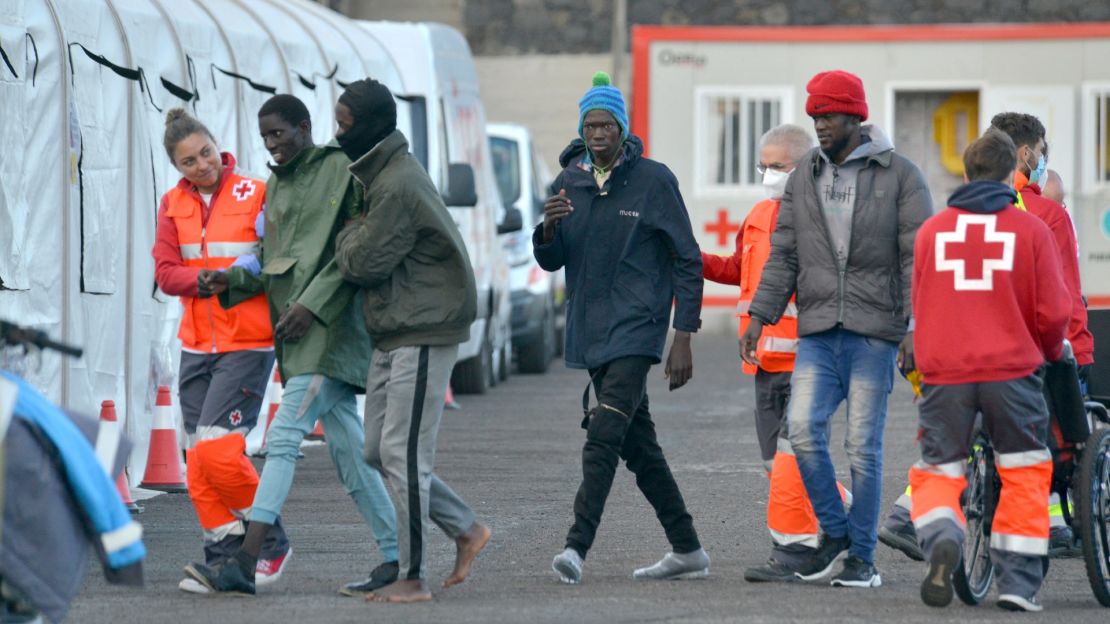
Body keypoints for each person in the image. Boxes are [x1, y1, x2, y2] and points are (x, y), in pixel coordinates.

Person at [182, 95, 400, 597]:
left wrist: (312, 306)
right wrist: (231, 280)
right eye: (265, 139)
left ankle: (248, 558)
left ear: (305, 127)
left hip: (330, 333)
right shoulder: (277, 186)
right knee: (351, 459)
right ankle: (403, 555)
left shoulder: (341, 169)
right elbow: (272, 257)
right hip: (298, 335)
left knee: (282, 440)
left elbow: (352, 257)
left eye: (280, 134)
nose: (272, 146)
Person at [741, 70, 933, 588]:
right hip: (820, 330)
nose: (820, 125)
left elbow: (919, 258)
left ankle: (862, 560)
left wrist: (915, 326)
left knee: (862, 448)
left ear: (855, 115)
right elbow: (783, 253)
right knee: (802, 432)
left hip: (874, 332)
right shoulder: (805, 174)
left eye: (827, 116)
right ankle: (836, 535)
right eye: (814, 117)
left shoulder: (901, 175)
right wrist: (759, 315)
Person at [536, 71, 710, 585]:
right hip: (591, 331)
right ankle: (687, 549)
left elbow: (687, 259)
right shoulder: (568, 182)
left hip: (639, 326)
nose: (598, 134)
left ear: (622, 128)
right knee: (640, 447)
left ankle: (575, 548)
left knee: (605, 432)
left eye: (607, 125)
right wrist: (546, 231)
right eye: (590, 125)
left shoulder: (655, 180)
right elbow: (552, 261)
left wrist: (684, 334)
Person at [333, 78, 491, 604]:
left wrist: (345, 231)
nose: (338, 135)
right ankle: (465, 527)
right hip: (396, 327)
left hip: (424, 327)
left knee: (402, 453)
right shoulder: (380, 176)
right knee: (379, 449)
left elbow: (361, 261)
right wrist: (358, 225)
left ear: (373, 126)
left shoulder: (396, 184)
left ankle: (413, 575)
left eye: (345, 125)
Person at [908, 129, 1069, 612]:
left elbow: (919, 306)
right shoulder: (1031, 231)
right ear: (1009, 175)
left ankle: (942, 534)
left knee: (938, 468)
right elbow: (1052, 314)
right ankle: (1017, 585)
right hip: (1010, 372)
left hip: (945, 374)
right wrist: (1045, 349)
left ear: (965, 172)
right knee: (1022, 471)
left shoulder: (932, 232)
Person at [701, 124, 851, 582]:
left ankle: (796, 549)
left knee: (791, 455)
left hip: (810, 361)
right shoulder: (758, 215)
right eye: (762, 166)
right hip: (765, 363)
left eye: (777, 166)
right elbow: (737, 271)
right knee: (777, 464)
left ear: (806, 166)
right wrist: (692, 259)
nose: (768, 174)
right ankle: (846, 515)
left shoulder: (826, 216)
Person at [151, 108, 291, 594]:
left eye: (205, 152)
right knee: (198, 462)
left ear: (218, 145)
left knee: (217, 451)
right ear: (177, 166)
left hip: (247, 342)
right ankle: (223, 555)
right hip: (196, 346)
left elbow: (273, 254)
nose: (202, 165)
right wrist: (203, 282)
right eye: (188, 161)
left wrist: (229, 279)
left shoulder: (257, 191)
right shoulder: (172, 204)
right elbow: (166, 273)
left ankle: (269, 540)